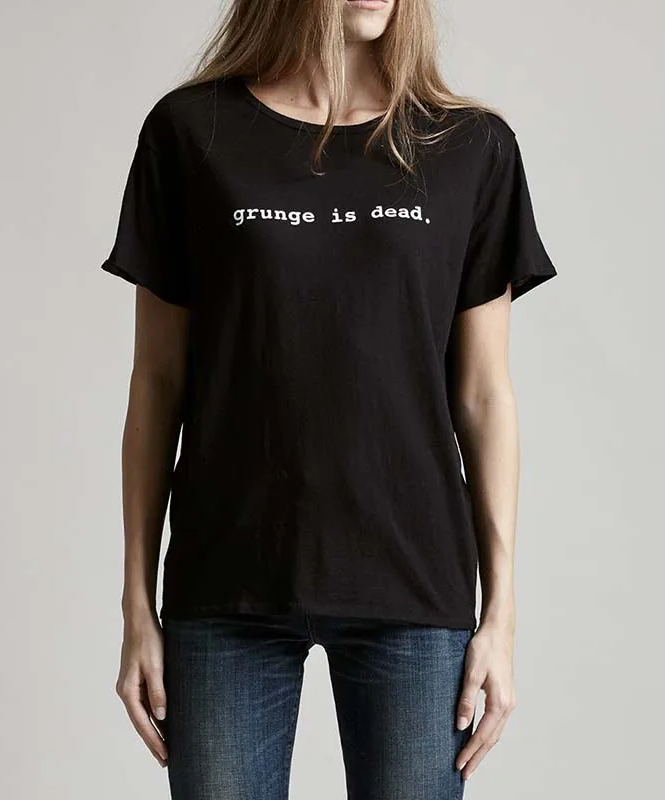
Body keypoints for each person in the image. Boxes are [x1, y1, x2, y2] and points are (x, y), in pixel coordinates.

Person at [102, 1, 558, 797]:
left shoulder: (469, 146)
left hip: (414, 582)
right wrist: (136, 606)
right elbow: (157, 384)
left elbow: (485, 395)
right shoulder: (192, 133)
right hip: (227, 581)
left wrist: (502, 615)